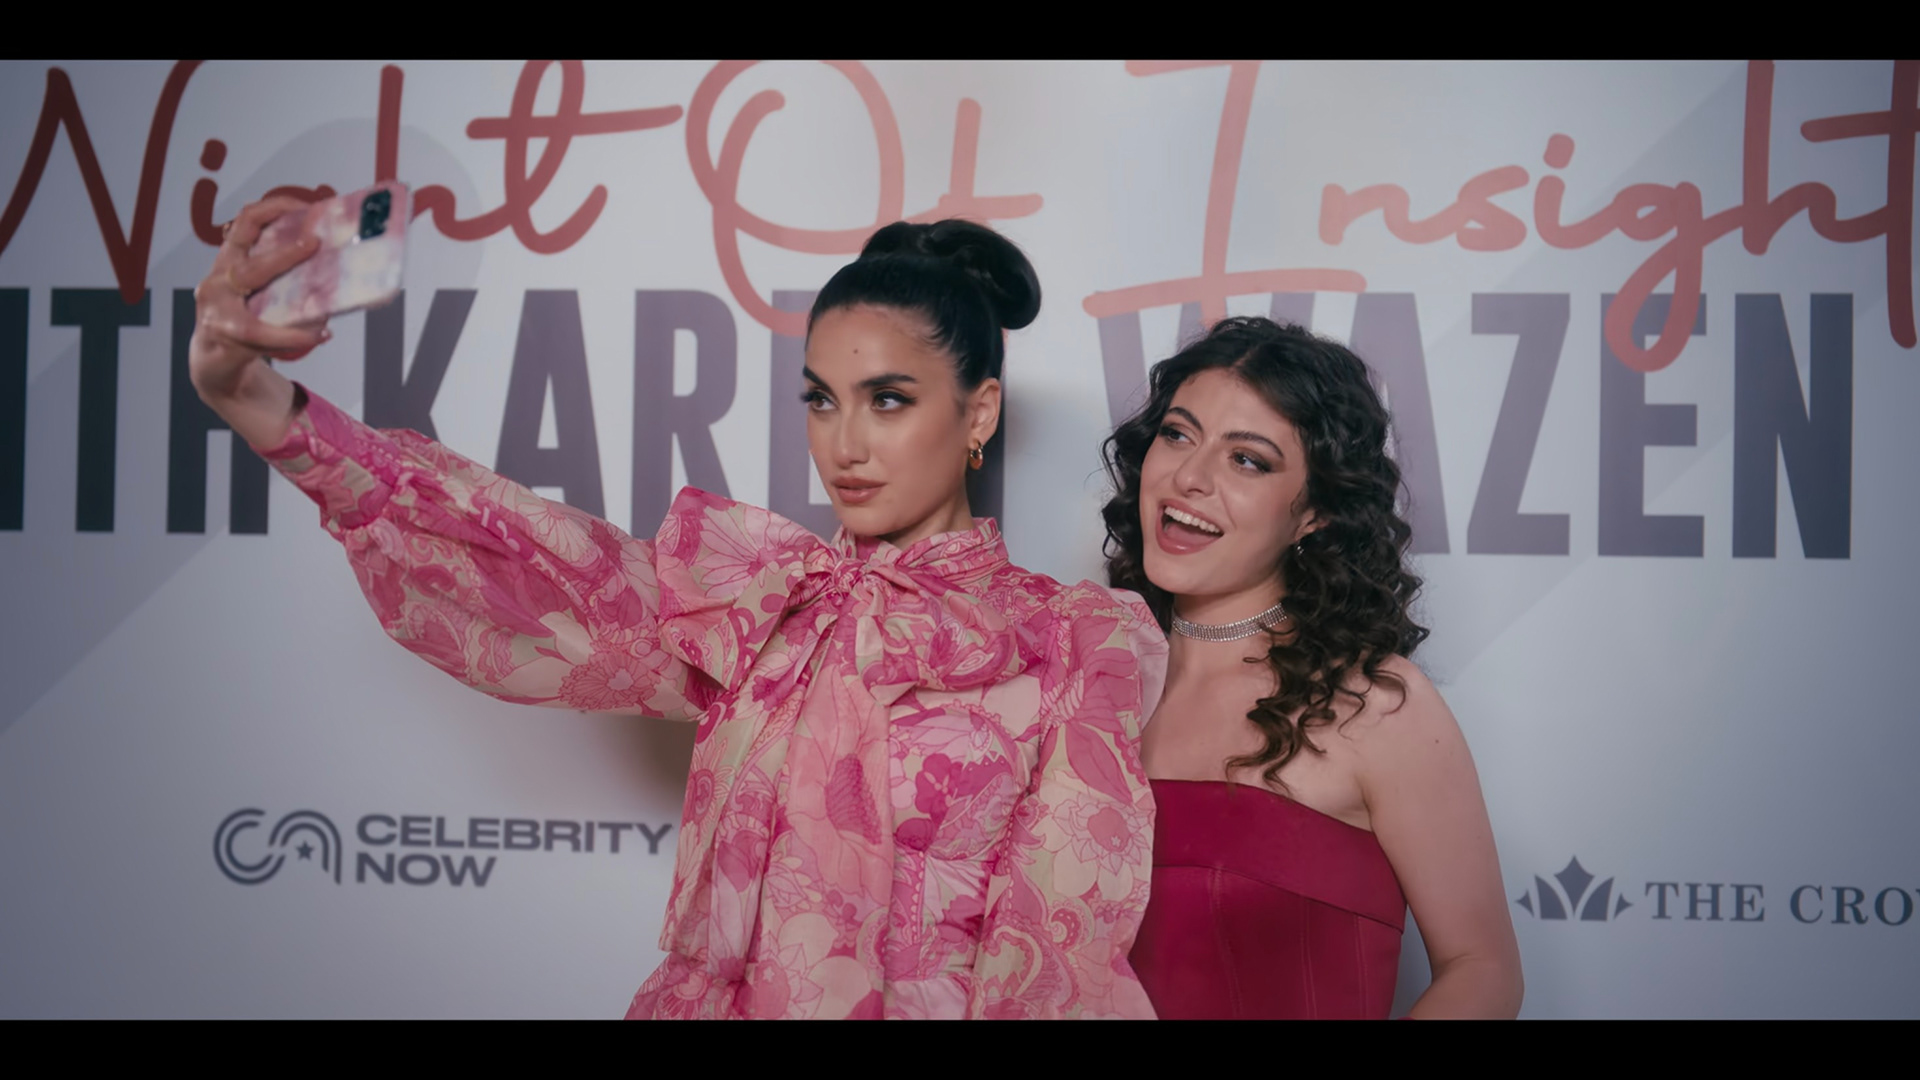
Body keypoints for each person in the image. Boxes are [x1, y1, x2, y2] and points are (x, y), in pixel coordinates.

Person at [190, 197, 1166, 1019]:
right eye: (821, 399)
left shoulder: (1068, 641)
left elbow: (1058, 958)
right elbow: (536, 560)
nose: (845, 445)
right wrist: (257, 403)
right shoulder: (762, 601)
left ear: (978, 412)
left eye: (889, 399)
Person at [1105, 316, 1523, 1019]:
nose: (1189, 477)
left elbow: (1483, 971)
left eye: (1247, 460)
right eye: (1177, 435)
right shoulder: (1083, 680)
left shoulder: (1374, 705)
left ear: (1315, 514)